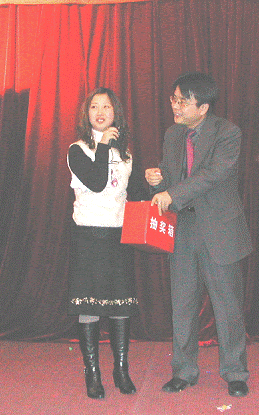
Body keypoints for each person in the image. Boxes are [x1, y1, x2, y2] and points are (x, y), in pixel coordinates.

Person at [145, 72, 253, 397]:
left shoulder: (228, 133)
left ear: (203, 107)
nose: (175, 106)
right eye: (174, 99)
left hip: (218, 229)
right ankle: (183, 371)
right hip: (183, 229)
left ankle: (235, 373)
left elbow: (211, 175)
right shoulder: (173, 134)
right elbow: (171, 178)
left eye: (182, 101)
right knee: (182, 304)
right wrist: (157, 181)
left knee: (228, 305)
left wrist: (172, 193)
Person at [67, 87, 144, 399]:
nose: (100, 112)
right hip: (88, 236)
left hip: (118, 235)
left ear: (116, 114)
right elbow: (98, 183)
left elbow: (133, 193)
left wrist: (154, 181)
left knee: (120, 304)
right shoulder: (77, 150)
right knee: (89, 306)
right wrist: (102, 146)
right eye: (94, 107)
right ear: (86, 114)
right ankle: (93, 373)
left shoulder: (125, 154)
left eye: (106, 107)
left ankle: (121, 370)